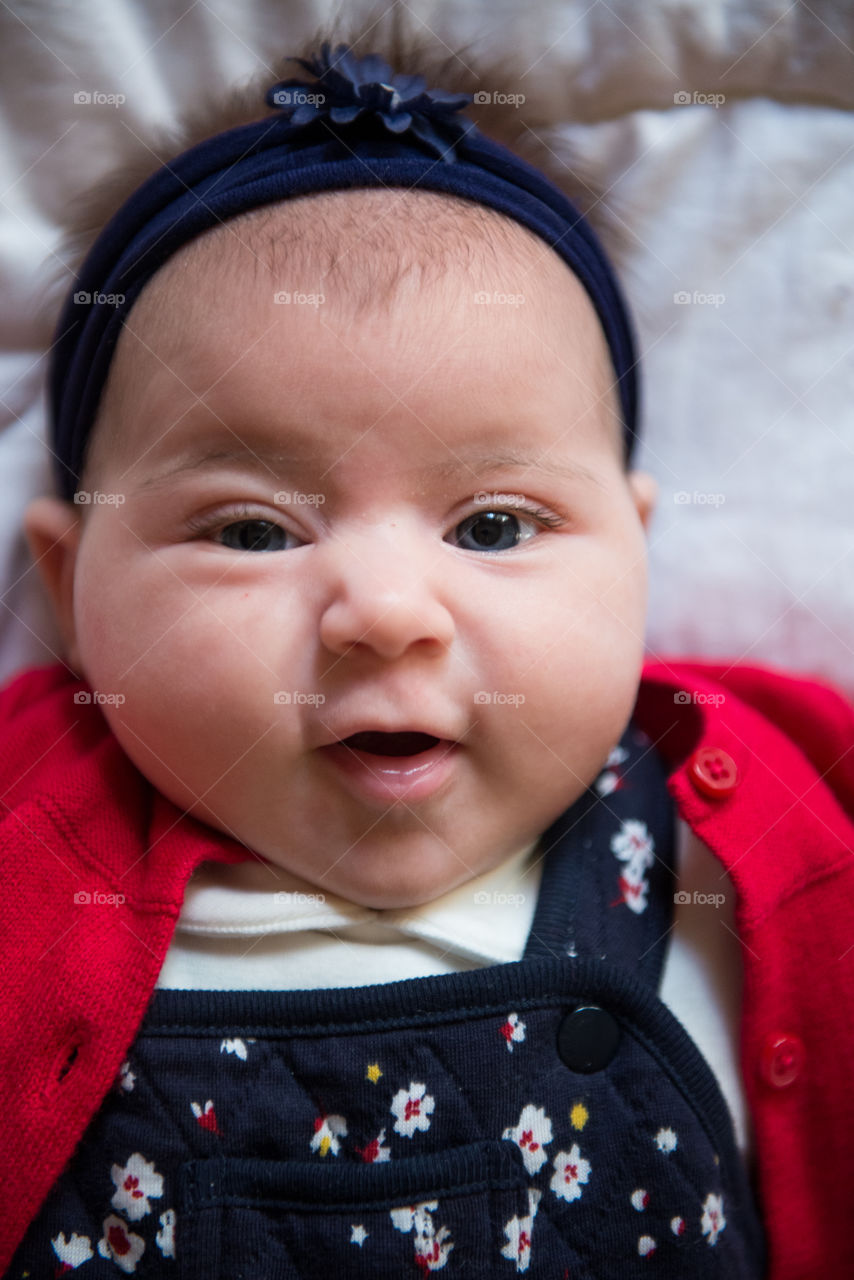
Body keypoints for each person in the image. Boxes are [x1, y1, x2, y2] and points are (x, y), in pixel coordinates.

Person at [2, 14, 852, 1278]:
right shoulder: (29, 825)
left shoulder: (756, 807)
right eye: (248, 529)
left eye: (494, 523)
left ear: (633, 547)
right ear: (71, 591)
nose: (388, 611)